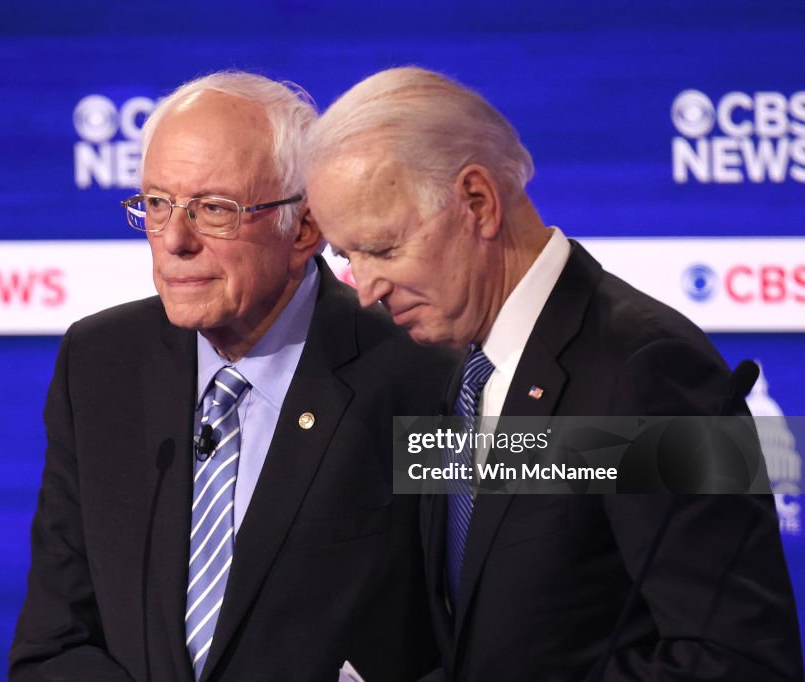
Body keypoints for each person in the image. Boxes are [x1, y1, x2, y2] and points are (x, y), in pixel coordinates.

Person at [305, 66, 802, 681]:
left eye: (382, 249)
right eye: (347, 256)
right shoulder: (452, 367)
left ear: (477, 203)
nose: (367, 289)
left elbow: (738, 662)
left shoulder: (651, 369)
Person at [9, 71, 457, 682]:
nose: (174, 240)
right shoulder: (100, 363)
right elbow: (52, 646)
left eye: (214, 210)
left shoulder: (422, 374)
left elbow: (485, 641)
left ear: (304, 227)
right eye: (157, 204)